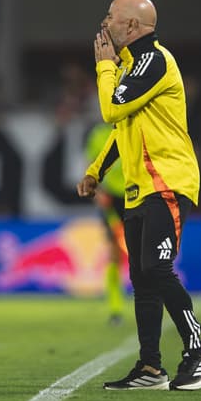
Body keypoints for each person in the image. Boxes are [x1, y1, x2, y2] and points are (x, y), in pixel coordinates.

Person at [77, 0, 201, 391]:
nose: (105, 23)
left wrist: (104, 67)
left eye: (112, 17)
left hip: (168, 182)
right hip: (142, 188)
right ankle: (151, 368)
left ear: (133, 27)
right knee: (141, 276)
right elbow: (122, 130)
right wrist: (96, 171)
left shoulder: (153, 61)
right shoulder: (131, 66)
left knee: (156, 270)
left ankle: (199, 353)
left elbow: (110, 110)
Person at [84, 122, 127, 326]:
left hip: (137, 195)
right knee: (114, 253)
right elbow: (93, 162)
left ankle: (154, 303)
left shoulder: (136, 125)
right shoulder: (99, 134)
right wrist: (98, 191)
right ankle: (115, 308)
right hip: (111, 199)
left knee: (145, 252)